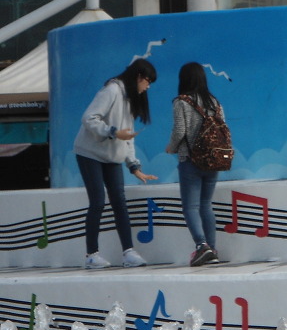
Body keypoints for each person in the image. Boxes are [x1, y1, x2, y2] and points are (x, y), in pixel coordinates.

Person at [73, 58, 158, 269]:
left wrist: (134, 166)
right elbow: (89, 118)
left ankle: (129, 252)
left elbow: (128, 137)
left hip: (112, 156)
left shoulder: (130, 99)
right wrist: (112, 132)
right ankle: (91, 255)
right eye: (147, 81)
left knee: (119, 201)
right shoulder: (112, 90)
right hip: (90, 152)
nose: (148, 86)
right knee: (98, 201)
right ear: (138, 76)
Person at [166, 61, 224, 266]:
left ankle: (201, 246)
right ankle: (212, 250)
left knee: (190, 207)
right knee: (206, 205)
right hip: (214, 161)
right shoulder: (214, 102)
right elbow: (223, 129)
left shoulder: (181, 102)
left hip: (190, 161)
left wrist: (171, 147)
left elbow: (180, 131)